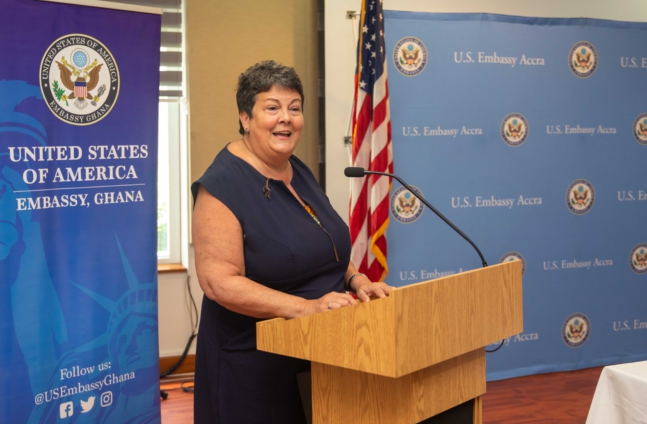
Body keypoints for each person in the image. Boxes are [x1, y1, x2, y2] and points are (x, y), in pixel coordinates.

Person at [191, 60, 392, 423]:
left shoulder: (295, 168)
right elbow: (218, 283)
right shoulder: (221, 186)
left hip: (319, 354)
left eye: (294, 108)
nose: (286, 118)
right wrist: (306, 308)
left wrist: (355, 279)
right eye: (272, 108)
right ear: (245, 118)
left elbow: (321, 242)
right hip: (253, 369)